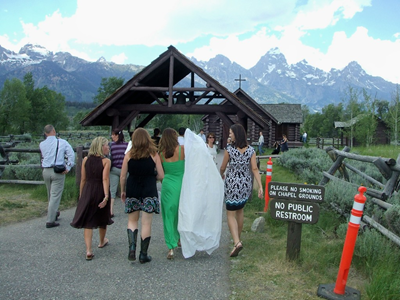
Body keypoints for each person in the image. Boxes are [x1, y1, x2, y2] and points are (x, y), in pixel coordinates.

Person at [120, 128, 164, 264]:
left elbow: (122, 176)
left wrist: (123, 190)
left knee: (132, 220)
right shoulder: (154, 154)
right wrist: (153, 177)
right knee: (146, 223)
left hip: (133, 188)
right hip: (149, 190)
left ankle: (132, 247)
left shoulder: (128, 155)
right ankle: (143, 254)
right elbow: (161, 175)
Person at [220, 124, 263, 257]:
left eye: (231, 133)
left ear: (236, 135)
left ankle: (237, 242)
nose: (230, 135)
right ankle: (237, 239)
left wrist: (221, 174)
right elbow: (255, 169)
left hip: (232, 184)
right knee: (240, 211)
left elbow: (223, 166)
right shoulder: (251, 150)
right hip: (245, 185)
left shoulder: (229, 150)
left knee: (230, 214)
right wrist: (260, 186)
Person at [70, 137, 113, 261]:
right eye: (106, 145)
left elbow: (83, 179)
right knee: (103, 216)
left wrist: (81, 194)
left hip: (88, 189)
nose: (108, 147)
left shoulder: (85, 160)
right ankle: (101, 241)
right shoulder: (106, 161)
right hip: (100, 189)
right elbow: (105, 179)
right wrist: (106, 196)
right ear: (101, 147)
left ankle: (88, 250)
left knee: (88, 219)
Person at [40, 124, 75, 228]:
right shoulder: (62, 142)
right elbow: (71, 154)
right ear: (54, 131)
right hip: (58, 171)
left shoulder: (42, 144)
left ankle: (54, 213)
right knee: (55, 195)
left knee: (50, 194)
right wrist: (68, 167)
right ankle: (50, 220)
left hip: (46, 170)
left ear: (45, 133)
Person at [159, 128, 185, 260]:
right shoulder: (182, 150)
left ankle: (171, 247)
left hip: (168, 184)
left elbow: (160, 174)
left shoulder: (161, 153)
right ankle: (180, 239)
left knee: (168, 215)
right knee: (181, 212)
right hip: (181, 183)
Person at [109, 129, 128, 217]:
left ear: (117, 135)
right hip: (125, 170)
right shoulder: (126, 145)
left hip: (114, 169)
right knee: (126, 189)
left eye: (113, 135)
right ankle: (127, 207)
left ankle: (111, 210)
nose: (112, 136)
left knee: (112, 189)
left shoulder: (111, 146)